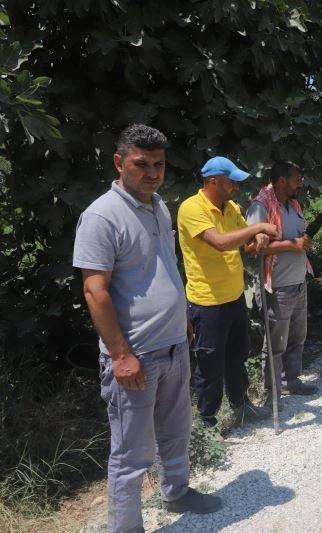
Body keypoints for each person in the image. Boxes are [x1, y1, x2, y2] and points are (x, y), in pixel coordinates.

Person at [73, 124, 223, 533]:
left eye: (158, 164)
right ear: (120, 162)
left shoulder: (159, 206)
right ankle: (125, 527)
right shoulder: (102, 215)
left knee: (176, 431)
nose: (152, 172)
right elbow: (94, 291)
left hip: (174, 343)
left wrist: (181, 322)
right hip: (135, 355)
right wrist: (121, 355)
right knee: (131, 452)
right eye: (141, 164)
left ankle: (176, 491)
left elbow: (163, 268)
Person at [177, 156, 277, 428]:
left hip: (233, 298)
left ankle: (241, 406)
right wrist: (257, 228)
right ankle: (207, 423)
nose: (236, 186)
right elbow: (220, 243)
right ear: (213, 182)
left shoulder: (230, 206)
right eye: (232, 181)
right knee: (210, 366)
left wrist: (256, 239)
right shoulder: (191, 208)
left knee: (237, 356)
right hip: (207, 302)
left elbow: (244, 240)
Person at [246, 160, 318, 397]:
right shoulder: (260, 207)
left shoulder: (294, 204)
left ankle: (292, 382)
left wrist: (302, 241)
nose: (301, 183)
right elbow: (254, 248)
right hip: (276, 286)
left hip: (298, 282)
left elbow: (295, 239)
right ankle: (272, 393)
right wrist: (292, 244)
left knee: (297, 337)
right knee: (276, 342)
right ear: (281, 181)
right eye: (297, 178)